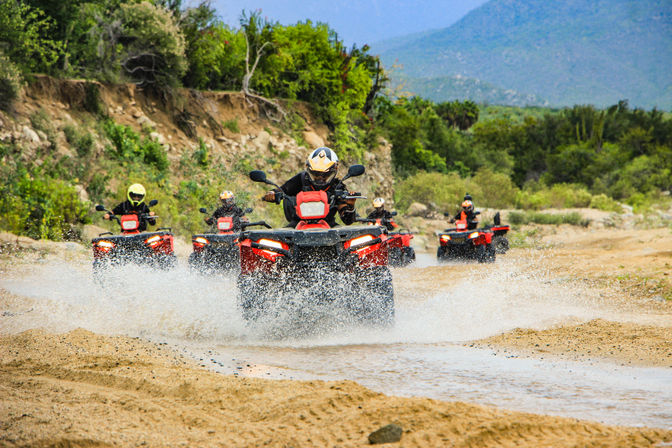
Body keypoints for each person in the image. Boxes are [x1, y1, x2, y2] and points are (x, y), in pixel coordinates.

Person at [262, 147, 357, 227]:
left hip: (329, 226)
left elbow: (347, 220)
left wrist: (351, 205)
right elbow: (283, 190)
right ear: (308, 171)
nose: (320, 178)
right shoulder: (301, 179)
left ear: (334, 172)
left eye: (325, 175)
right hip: (297, 225)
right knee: (277, 244)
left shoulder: (337, 186)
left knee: (349, 244)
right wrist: (272, 193)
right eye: (315, 174)